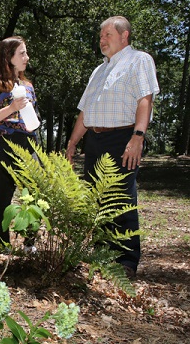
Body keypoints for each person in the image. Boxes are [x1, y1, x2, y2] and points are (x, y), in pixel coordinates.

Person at [66, 16, 160, 278]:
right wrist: (73, 143)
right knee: (98, 198)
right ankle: (101, 253)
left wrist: (137, 137)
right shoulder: (98, 71)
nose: (102, 40)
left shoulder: (139, 60)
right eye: (100, 36)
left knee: (121, 196)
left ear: (124, 35)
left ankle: (127, 261)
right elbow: (85, 111)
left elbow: (145, 100)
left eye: (107, 35)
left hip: (123, 138)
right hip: (94, 140)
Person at [0, 36, 39, 252]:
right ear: (9, 57)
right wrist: (12, 107)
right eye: (22, 53)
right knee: (4, 195)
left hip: (27, 144)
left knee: (34, 193)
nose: (27, 57)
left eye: (26, 52)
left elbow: (34, 119)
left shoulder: (29, 86)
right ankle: (4, 245)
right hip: (0, 145)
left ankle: (29, 244)